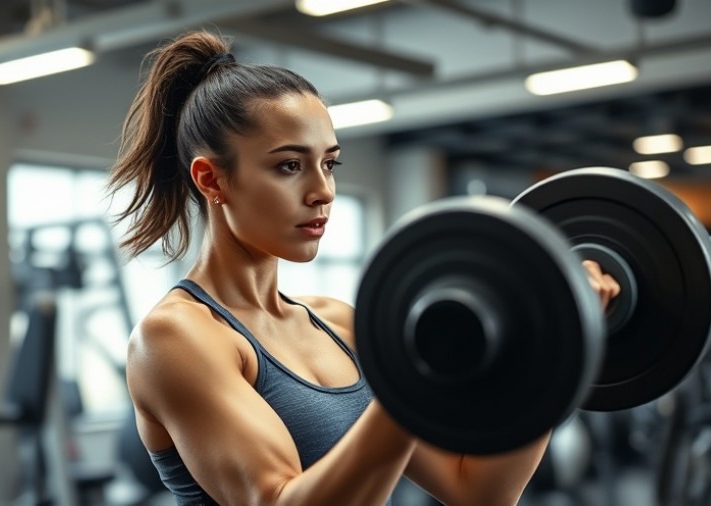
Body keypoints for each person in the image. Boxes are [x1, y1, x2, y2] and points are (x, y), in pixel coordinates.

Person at [107, 30, 620, 506]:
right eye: (289, 165)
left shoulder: (341, 324)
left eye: (329, 163)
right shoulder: (174, 338)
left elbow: (478, 491)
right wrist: (412, 380)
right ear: (211, 179)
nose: (322, 191)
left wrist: (557, 343)